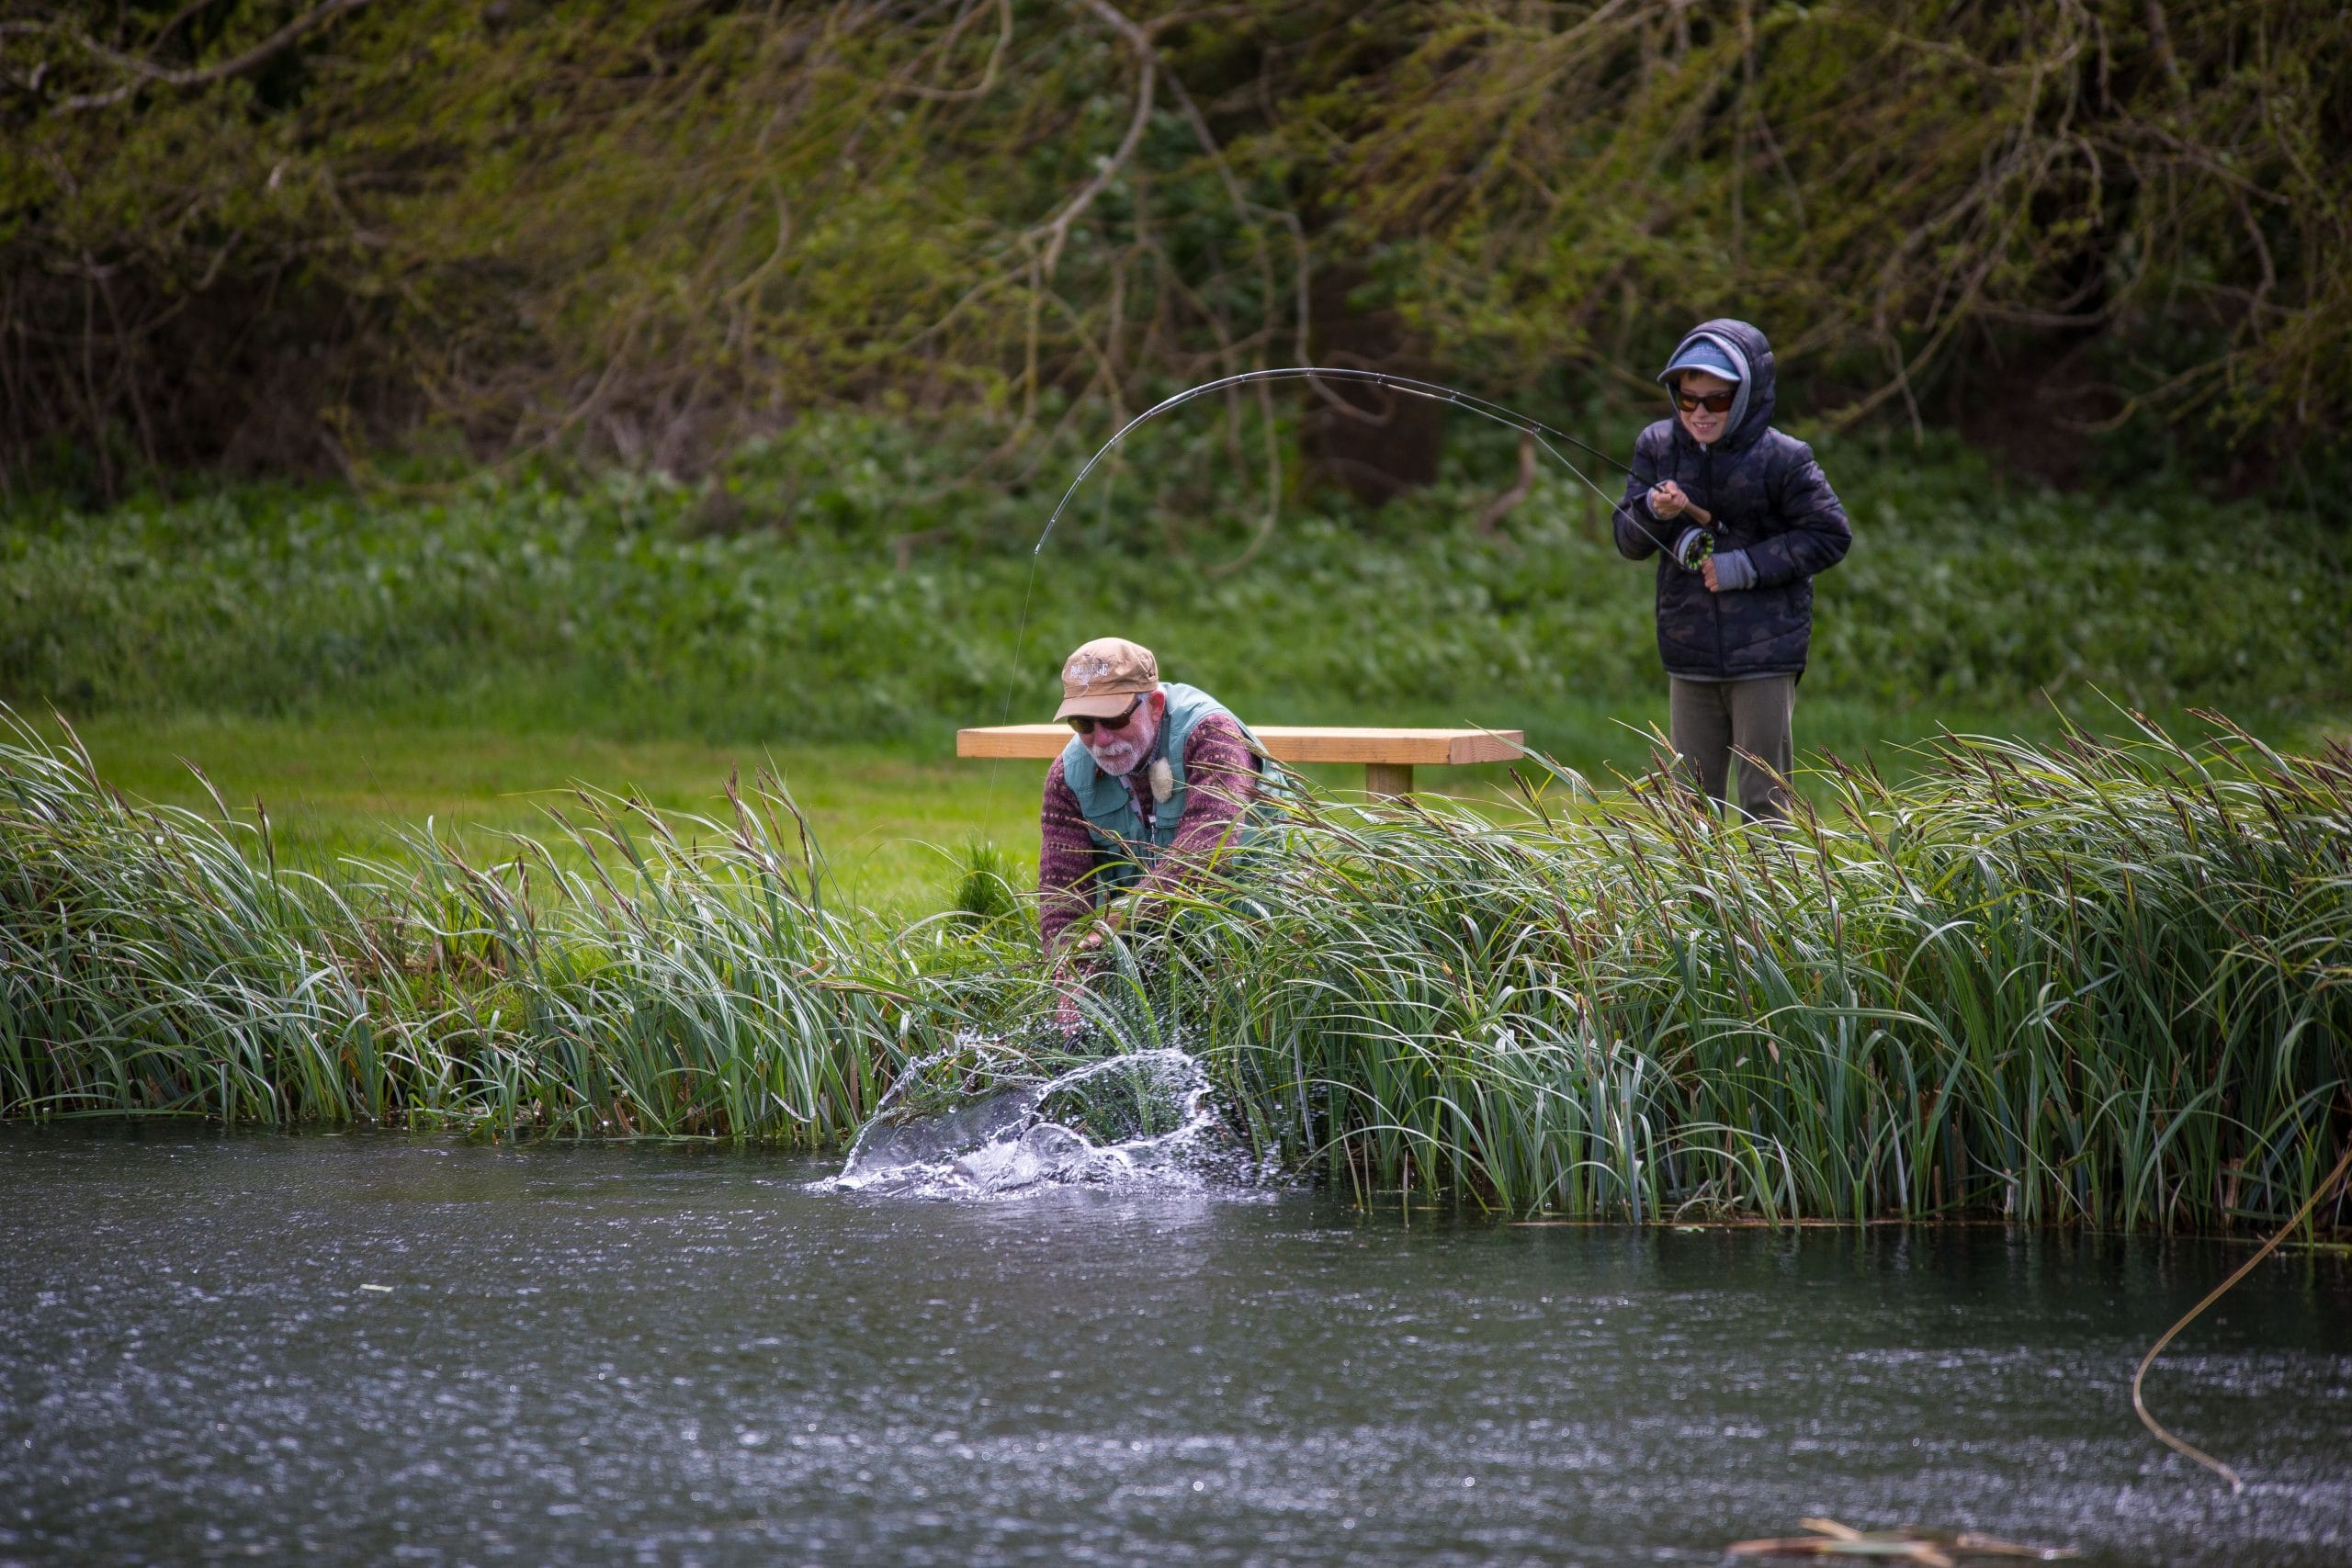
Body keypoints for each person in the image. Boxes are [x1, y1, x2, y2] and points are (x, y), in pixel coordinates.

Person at [1611, 319, 1852, 821]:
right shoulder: (1658, 446)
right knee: (1690, 809)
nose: (1699, 412)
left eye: (1716, 400)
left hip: (1766, 657)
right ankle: (1702, 903)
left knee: (1766, 803)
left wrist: (1743, 566)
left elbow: (1830, 536)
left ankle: (1770, 900)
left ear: (1744, 397)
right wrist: (1655, 511)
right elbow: (1627, 541)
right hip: (1688, 653)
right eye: (1687, 398)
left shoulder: (1785, 458)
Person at [1036, 637, 1277, 957]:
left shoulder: (1212, 736)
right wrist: (1068, 975)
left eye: (1114, 719)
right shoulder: (1067, 778)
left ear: (1155, 705)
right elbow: (1061, 902)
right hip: (1146, 945)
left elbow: (1205, 852)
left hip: (1256, 938)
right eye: (1083, 724)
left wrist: (1113, 924)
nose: (1101, 739)